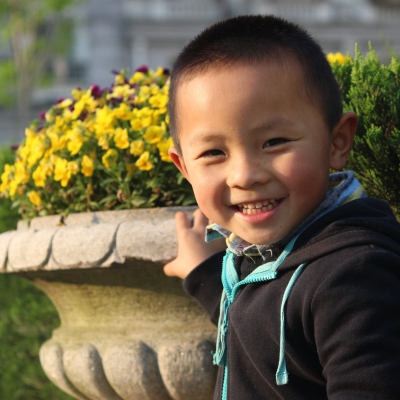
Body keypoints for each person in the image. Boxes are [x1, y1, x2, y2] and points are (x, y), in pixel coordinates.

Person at [163, 15, 400, 400]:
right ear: (185, 167)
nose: (245, 175)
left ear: (337, 142)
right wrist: (203, 273)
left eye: (274, 142)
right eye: (214, 152)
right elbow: (260, 325)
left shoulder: (352, 276)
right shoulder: (268, 255)